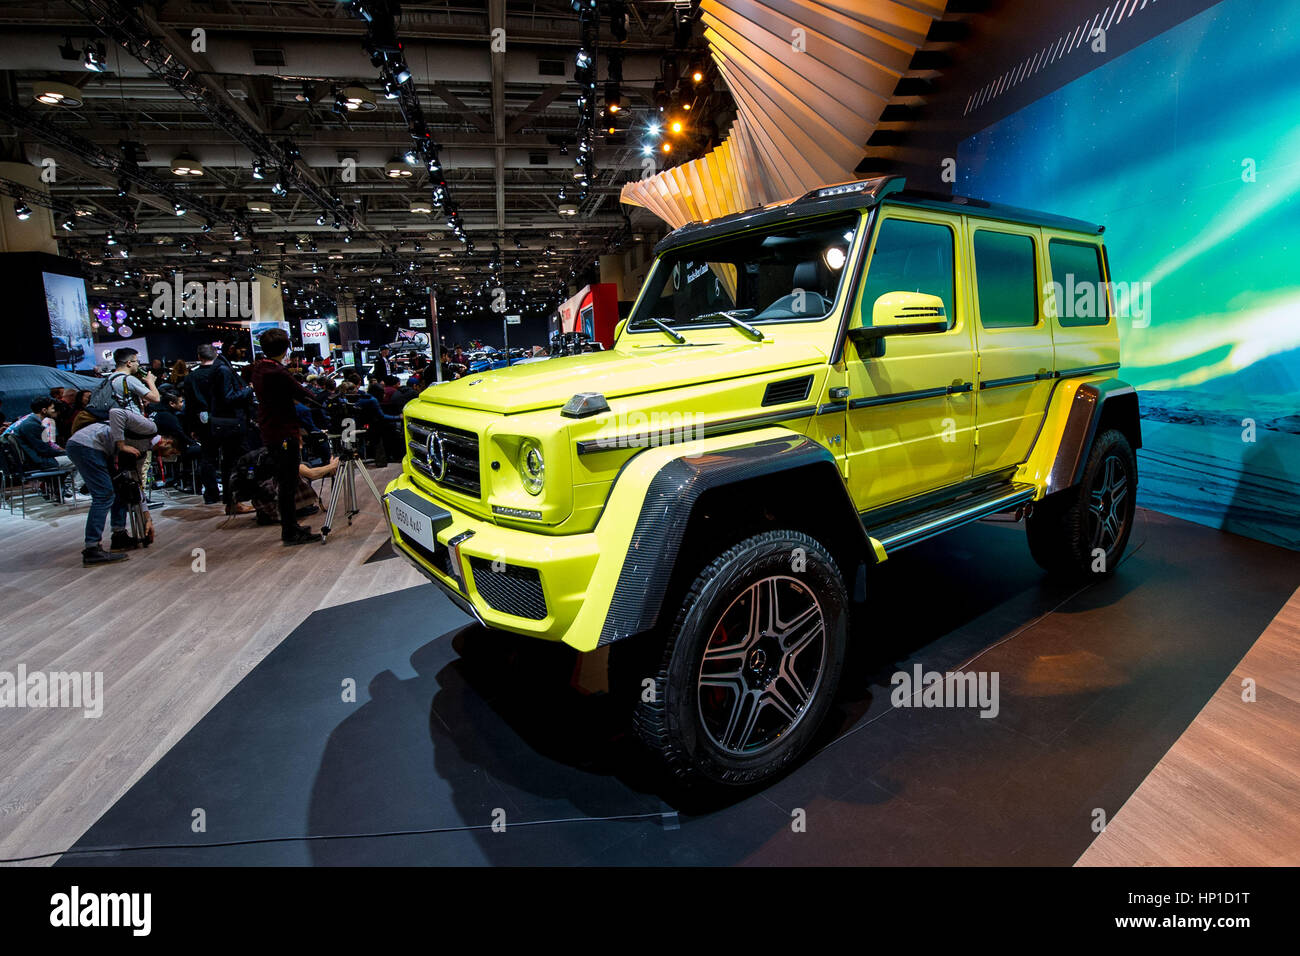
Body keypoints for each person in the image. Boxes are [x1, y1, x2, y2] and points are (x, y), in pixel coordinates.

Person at [64, 406, 177, 566]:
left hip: (96, 448)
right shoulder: (149, 428)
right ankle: (92, 549)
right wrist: (122, 444)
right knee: (104, 495)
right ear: (168, 441)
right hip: (87, 445)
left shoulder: (142, 452)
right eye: (172, 452)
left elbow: (136, 485)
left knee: (122, 488)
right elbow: (115, 412)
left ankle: (119, 536)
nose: (170, 456)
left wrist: (147, 519)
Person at [249, 328, 322, 545]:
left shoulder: (259, 368)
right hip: (283, 431)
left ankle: (291, 527)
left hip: (271, 430)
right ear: (285, 348)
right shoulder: (276, 372)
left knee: (286, 483)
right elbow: (303, 393)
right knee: (288, 484)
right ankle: (290, 532)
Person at [185, 343, 254, 513]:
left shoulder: (191, 377)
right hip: (227, 422)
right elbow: (228, 398)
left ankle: (211, 495)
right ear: (215, 353)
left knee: (207, 459)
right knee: (231, 461)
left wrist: (192, 427)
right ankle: (233, 500)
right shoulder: (222, 370)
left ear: (199, 357)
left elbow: (190, 406)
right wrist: (248, 390)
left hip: (204, 423)